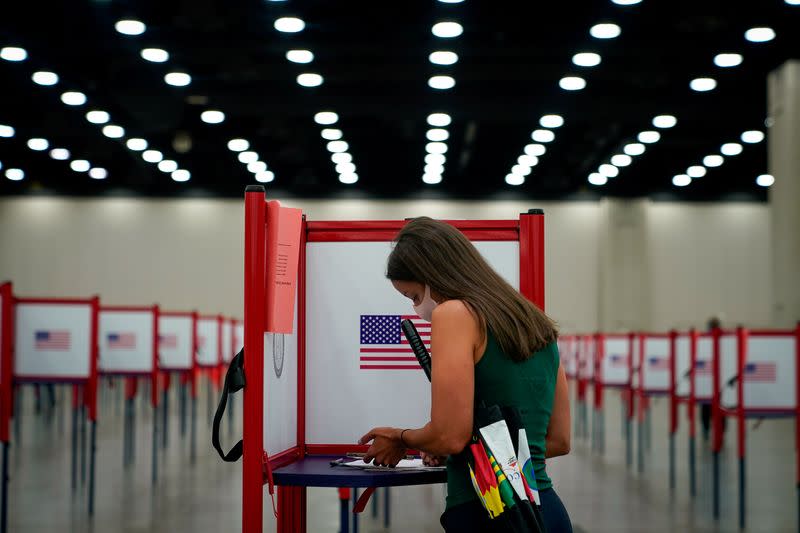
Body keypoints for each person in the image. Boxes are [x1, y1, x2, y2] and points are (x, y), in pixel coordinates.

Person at [358, 217, 573, 533]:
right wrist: (475, 450)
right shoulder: (535, 323)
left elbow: (449, 435)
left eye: (415, 296)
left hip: (489, 512)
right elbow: (557, 440)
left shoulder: (454, 313)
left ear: (434, 276)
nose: (418, 308)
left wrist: (400, 437)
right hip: (547, 512)